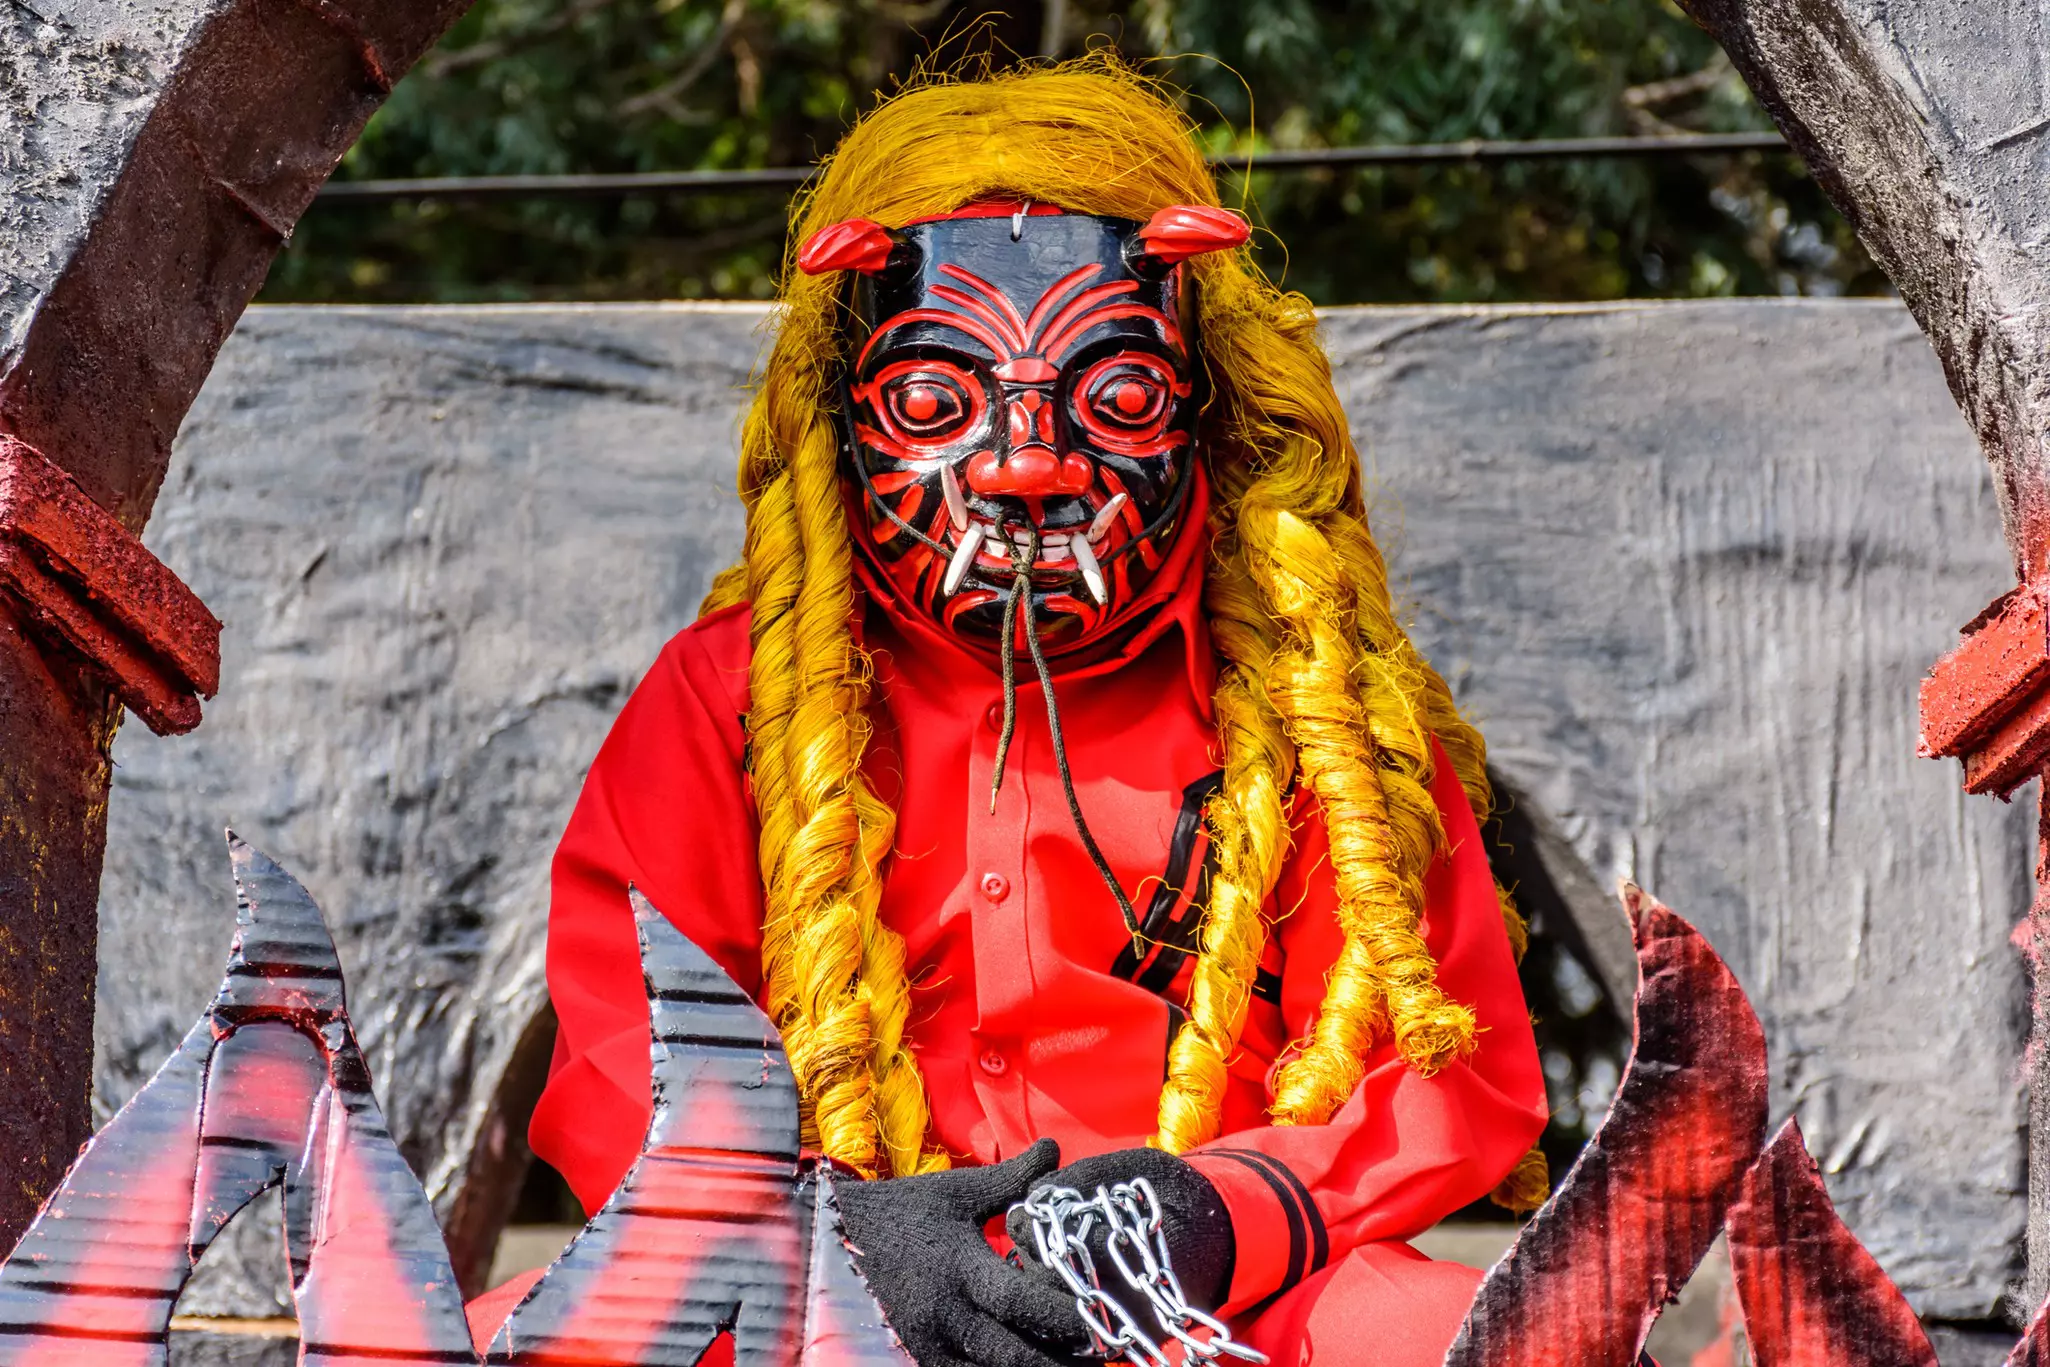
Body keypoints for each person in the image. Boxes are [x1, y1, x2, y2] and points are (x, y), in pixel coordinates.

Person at [508, 58, 1548, 1367]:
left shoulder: (1314, 703)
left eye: (1112, 400)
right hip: (817, 1303)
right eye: (934, 405)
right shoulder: (722, 696)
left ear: (1204, 403)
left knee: (1492, 1339)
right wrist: (822, 1239)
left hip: (1227, 1309)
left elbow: (1444, 1063)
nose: (1025, 463)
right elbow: (628, 1044)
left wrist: (1221, 1213)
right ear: (839, 417)